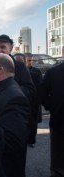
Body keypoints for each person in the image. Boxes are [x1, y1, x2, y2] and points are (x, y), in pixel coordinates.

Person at [40, 48, 64, 177]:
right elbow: (43, 93)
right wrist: (53, 107)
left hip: (58, 117)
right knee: (58, 152)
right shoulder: (53, 72)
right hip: (59, 118)